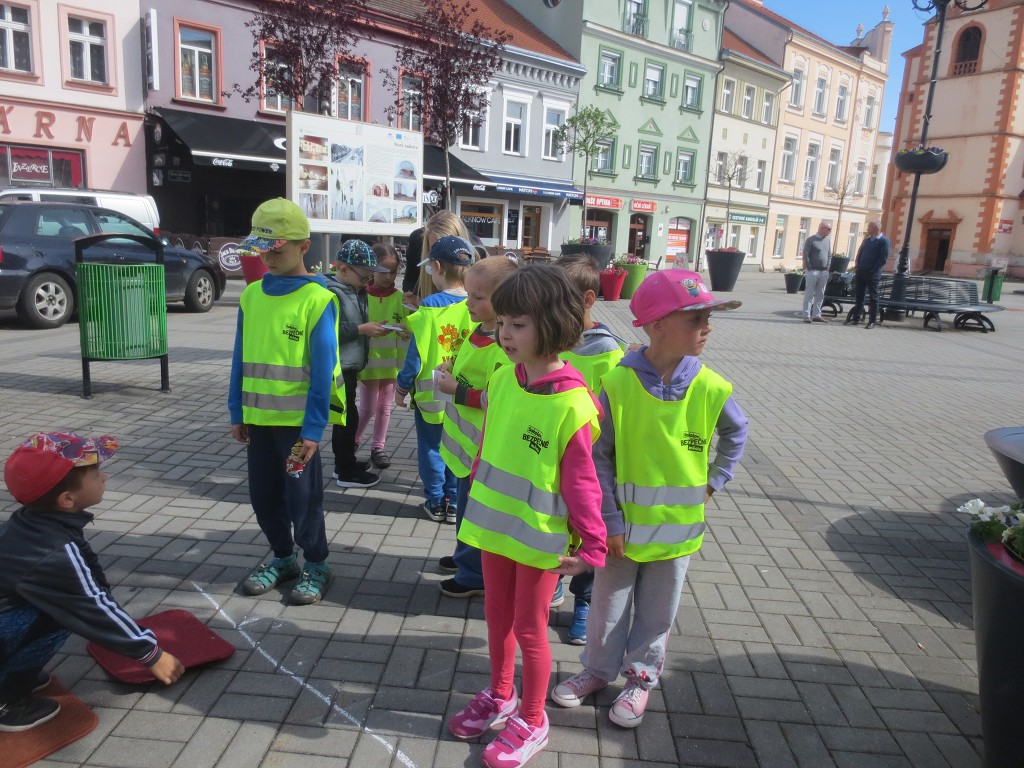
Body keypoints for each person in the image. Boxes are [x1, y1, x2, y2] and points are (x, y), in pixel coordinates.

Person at [550, 269, 749, 730]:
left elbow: (737, 433)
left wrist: (716, 480)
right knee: (607, 606)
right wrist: (610, 522)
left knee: (658, 614)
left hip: (678, 536)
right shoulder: (618, 385)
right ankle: (597, 672)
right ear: (658, 324)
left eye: (708, 318)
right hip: (621, 533)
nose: (707, 327)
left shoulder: (712, 387)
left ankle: (640, 678)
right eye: (696, 317)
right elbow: (599, 457)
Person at [448, 264, 607, 768]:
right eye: (503, 323)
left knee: (530, 627)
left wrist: (592, 547)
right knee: (496, 615)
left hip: (540, 541)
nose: (504, 334)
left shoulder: (574, 404)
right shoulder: (503, 376)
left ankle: (533, 718)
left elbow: (584, 483)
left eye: (518, 325)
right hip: (494, 529)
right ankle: (501, 695)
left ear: (554, 324)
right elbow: (488, 447)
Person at [1, 433, 185, 732]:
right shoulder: (53, 552)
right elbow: (92, 607)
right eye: (96, 474)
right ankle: (8, 700)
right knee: (60, 616)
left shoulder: (34, 523)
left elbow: (91, 578)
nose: (105, 476)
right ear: (67, 499)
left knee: (56, 607)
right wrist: (150, 652)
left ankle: (15, 671)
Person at [229, 197, 346, 606]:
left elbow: (323, 370)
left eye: (277, 248)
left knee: (302, 498)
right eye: (262, 248)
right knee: (264, 495)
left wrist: (314, 429)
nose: (269, 257)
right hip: (259, 424)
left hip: (298, 429)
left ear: (303, 247)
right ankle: (283, 558)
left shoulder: (319, 300)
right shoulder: (252, 296)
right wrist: (236, 411)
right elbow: (240, 358)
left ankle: (316, 562)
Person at [435, 256, 518, 597]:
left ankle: (472, 575)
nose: (468, 302)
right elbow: (469, 358)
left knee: (473, 514)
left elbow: (495, 399)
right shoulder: (479, 328)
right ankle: (464, 556)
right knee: (465, 510)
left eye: (477, 297)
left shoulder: (503, 345)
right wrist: (452, 363)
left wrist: (457, 390)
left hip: (481, 454)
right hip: (463, 451)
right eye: (469, 294)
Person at [554, 252, 626, 643]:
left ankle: (584, 601)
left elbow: (611, 420)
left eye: (559, 298)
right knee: (555, 524)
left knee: (585, 531)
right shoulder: (550, 342)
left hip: (589, 465)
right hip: (549, 461)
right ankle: (556, 581)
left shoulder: (608, 353)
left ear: (587, 300)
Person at [395, 235, 474, 523]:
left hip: (429, 394)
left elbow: (414, 358)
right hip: (461, 393)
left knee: (431, 447)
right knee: (458, 444)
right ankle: (455, 500)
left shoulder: (429, 307)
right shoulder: (476, 305)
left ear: (437, 266)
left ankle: (436, 500)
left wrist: (402, 387)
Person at [326, 239, 390, 488]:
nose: (368, 283)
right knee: (346, 418)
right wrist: (361, 329)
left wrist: (371, 329)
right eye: (364, 277)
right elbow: (328, 330)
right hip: (338, 365)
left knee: (347, 416)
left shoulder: (356, 290)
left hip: (351, 364)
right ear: (343, 269)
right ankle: (344, 471)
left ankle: (346, 462)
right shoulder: (331, 292)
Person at [355, 244, 406, 470]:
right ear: (371, 269)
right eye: (383, 270)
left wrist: (404, 328)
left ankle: (378, 447)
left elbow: (408, 328)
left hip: (390, 364)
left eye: (393, 271)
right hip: (368, 363)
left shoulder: (400, 298)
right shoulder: (361, 296)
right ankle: (353, 441)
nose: (389, 276)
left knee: (385, 407)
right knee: (367, 408)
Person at [402, 211, 472, 308]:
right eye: (434, 248)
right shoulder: (418, 246)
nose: (439, 255)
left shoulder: (479, 267)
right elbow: (409, 282)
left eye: (447, 250)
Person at [848, 220, 890, 329]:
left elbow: (883, 259)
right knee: (859, 296)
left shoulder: (884, 241)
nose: (867, 229)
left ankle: (872, 321)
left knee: (873, 297)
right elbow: (859, 252)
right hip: (861, 271)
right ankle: (856, 318)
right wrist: (857, 264)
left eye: (869, 227)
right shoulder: (867, 240)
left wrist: (873, 270)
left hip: (873, 274)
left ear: (876, 228)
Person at [802, 220, 832, 323]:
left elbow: (829, 255)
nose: (830, 231)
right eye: (828, 229)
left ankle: (816, 315)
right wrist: (809, 268)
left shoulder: (827, 240)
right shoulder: (811, 240)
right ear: (821, 228)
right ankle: (806, 315)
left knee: (820, 294)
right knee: (809, 294)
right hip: (812, 271)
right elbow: (805, 255)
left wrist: (828, 267)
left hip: (824, 271)